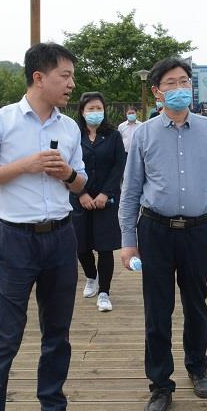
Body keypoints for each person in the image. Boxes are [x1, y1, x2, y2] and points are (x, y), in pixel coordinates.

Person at [0, 42, 87, 411]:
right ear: (39, 77)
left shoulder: (69, 127)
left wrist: (67, 173)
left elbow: (81, 183)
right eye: (65, 76)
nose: (71, 84)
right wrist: (26, 165)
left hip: (61, 237)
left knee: (58, 334)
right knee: (6, 335)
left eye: (72, 76)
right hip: (16, 239)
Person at [119, 57, 207, 411]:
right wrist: (128, 240)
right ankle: (160, 385)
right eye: (171, 82)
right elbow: (130, 190)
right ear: (157, 91)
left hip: (199, 231)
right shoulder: (144, 134)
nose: (180, 88)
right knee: (157, 310)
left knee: (197, 304)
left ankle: (198, 368)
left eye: (185, 81)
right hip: (154, 230)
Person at [72, 91, 126, 312]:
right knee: (80, 245)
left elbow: (119, 166)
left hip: (107, 199)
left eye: (99, 108)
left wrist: (105, 193)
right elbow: (68, 166)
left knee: (105, 247)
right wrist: (81, 193)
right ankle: (91, 276)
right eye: (91, 109)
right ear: (82, 112)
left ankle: (104, 292)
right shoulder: (74, 135)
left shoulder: (113, 135)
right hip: (79, 197)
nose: (96, 112)